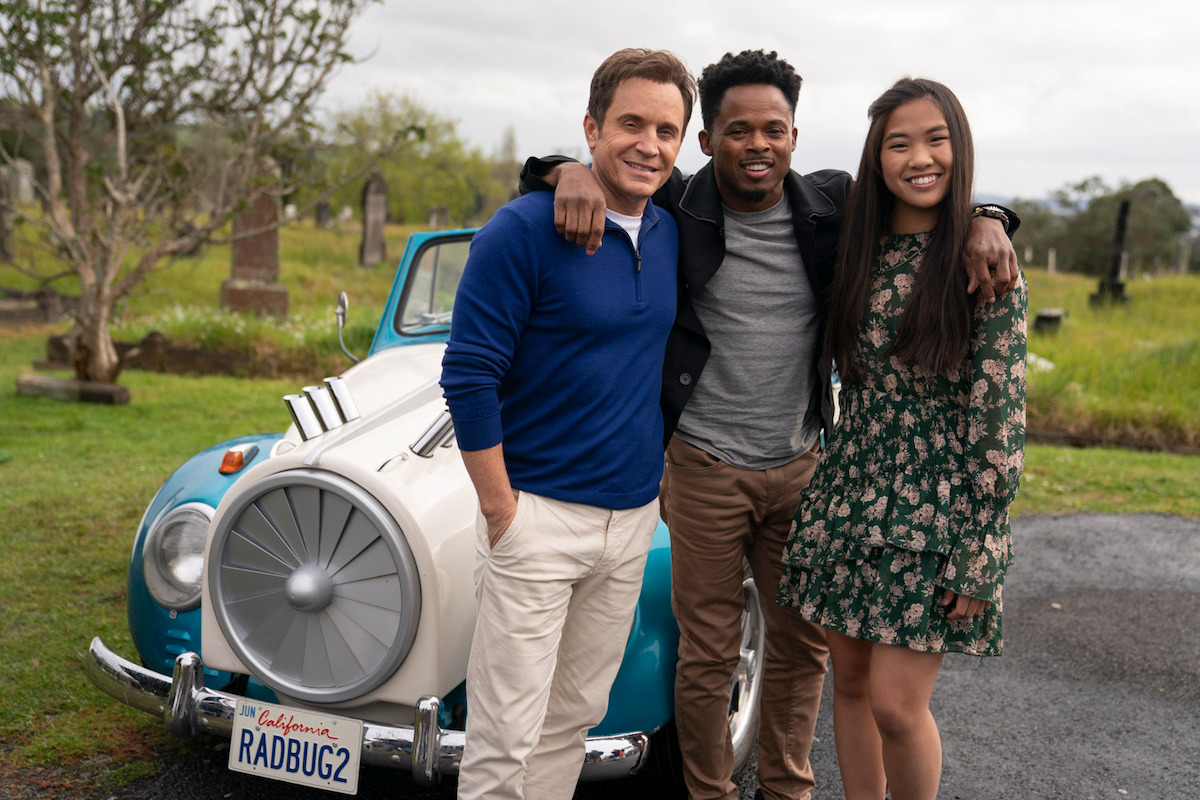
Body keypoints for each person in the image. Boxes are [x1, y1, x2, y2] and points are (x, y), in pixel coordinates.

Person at [520, 51, 1019, 800]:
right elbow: (604, 170)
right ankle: (710, 793)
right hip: (705, 467)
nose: (759, 144)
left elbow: (931, 205)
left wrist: (991, 215)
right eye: (739, 130)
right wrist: (565, 170)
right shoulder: (678, 210)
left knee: (803, 651)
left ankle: (787, 790)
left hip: (807, 469)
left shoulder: (832, 210)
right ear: (707, 140)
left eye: (775, 129)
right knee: (709, 652)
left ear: (795, 134)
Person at [440, 49, 696, 800]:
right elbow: (468, 373)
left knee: (571, 722)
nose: (649, 143)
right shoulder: (521, 231)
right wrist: (501, 512)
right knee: (504, 735)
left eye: (667, 130)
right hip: (537, 518)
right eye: (630, 124)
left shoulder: (673, 228)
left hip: (629, 524)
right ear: (592, 126)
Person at [776, 77, 1027, 800]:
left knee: (896, 702)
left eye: (936, 139)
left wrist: (982, 549)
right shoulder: (857, 250)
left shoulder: (986, 266)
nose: (920, 156)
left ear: (961, 147)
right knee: (849, 688)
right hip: (848, 493)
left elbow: (999, 421)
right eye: (899, 142)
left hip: (934, 512)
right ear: (875, 157)